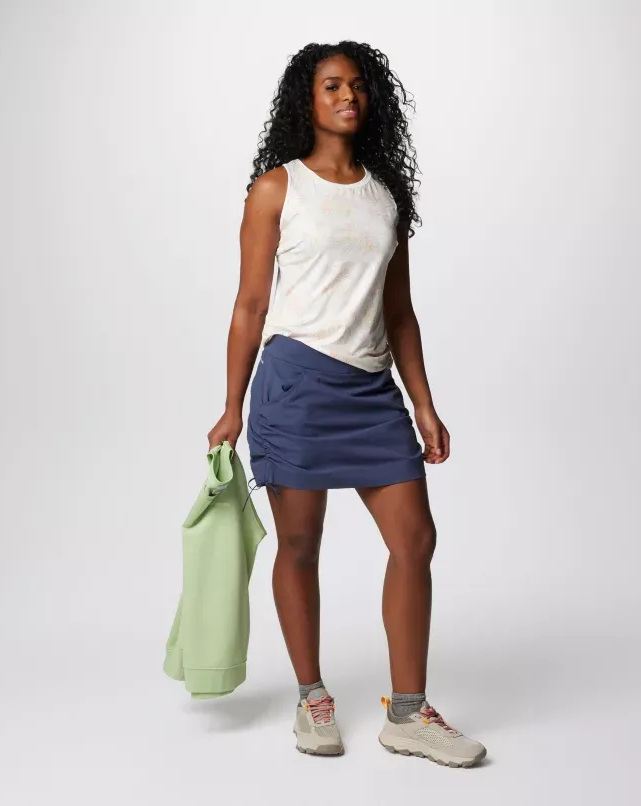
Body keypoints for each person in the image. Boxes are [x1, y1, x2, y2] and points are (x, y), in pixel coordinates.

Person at [207, 40, 486, 768]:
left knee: (414, 540)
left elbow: (400, 313)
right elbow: (249, 305)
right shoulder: (276, 189)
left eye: (358, 85)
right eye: (331, 85)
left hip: (371, 391)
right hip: (295, 387)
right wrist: (232, 406)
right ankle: (312, 697)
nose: (348, 96)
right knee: (301, 546)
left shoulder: (385, 196)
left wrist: (423, 405)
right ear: (307, 98)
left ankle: (409, 713)